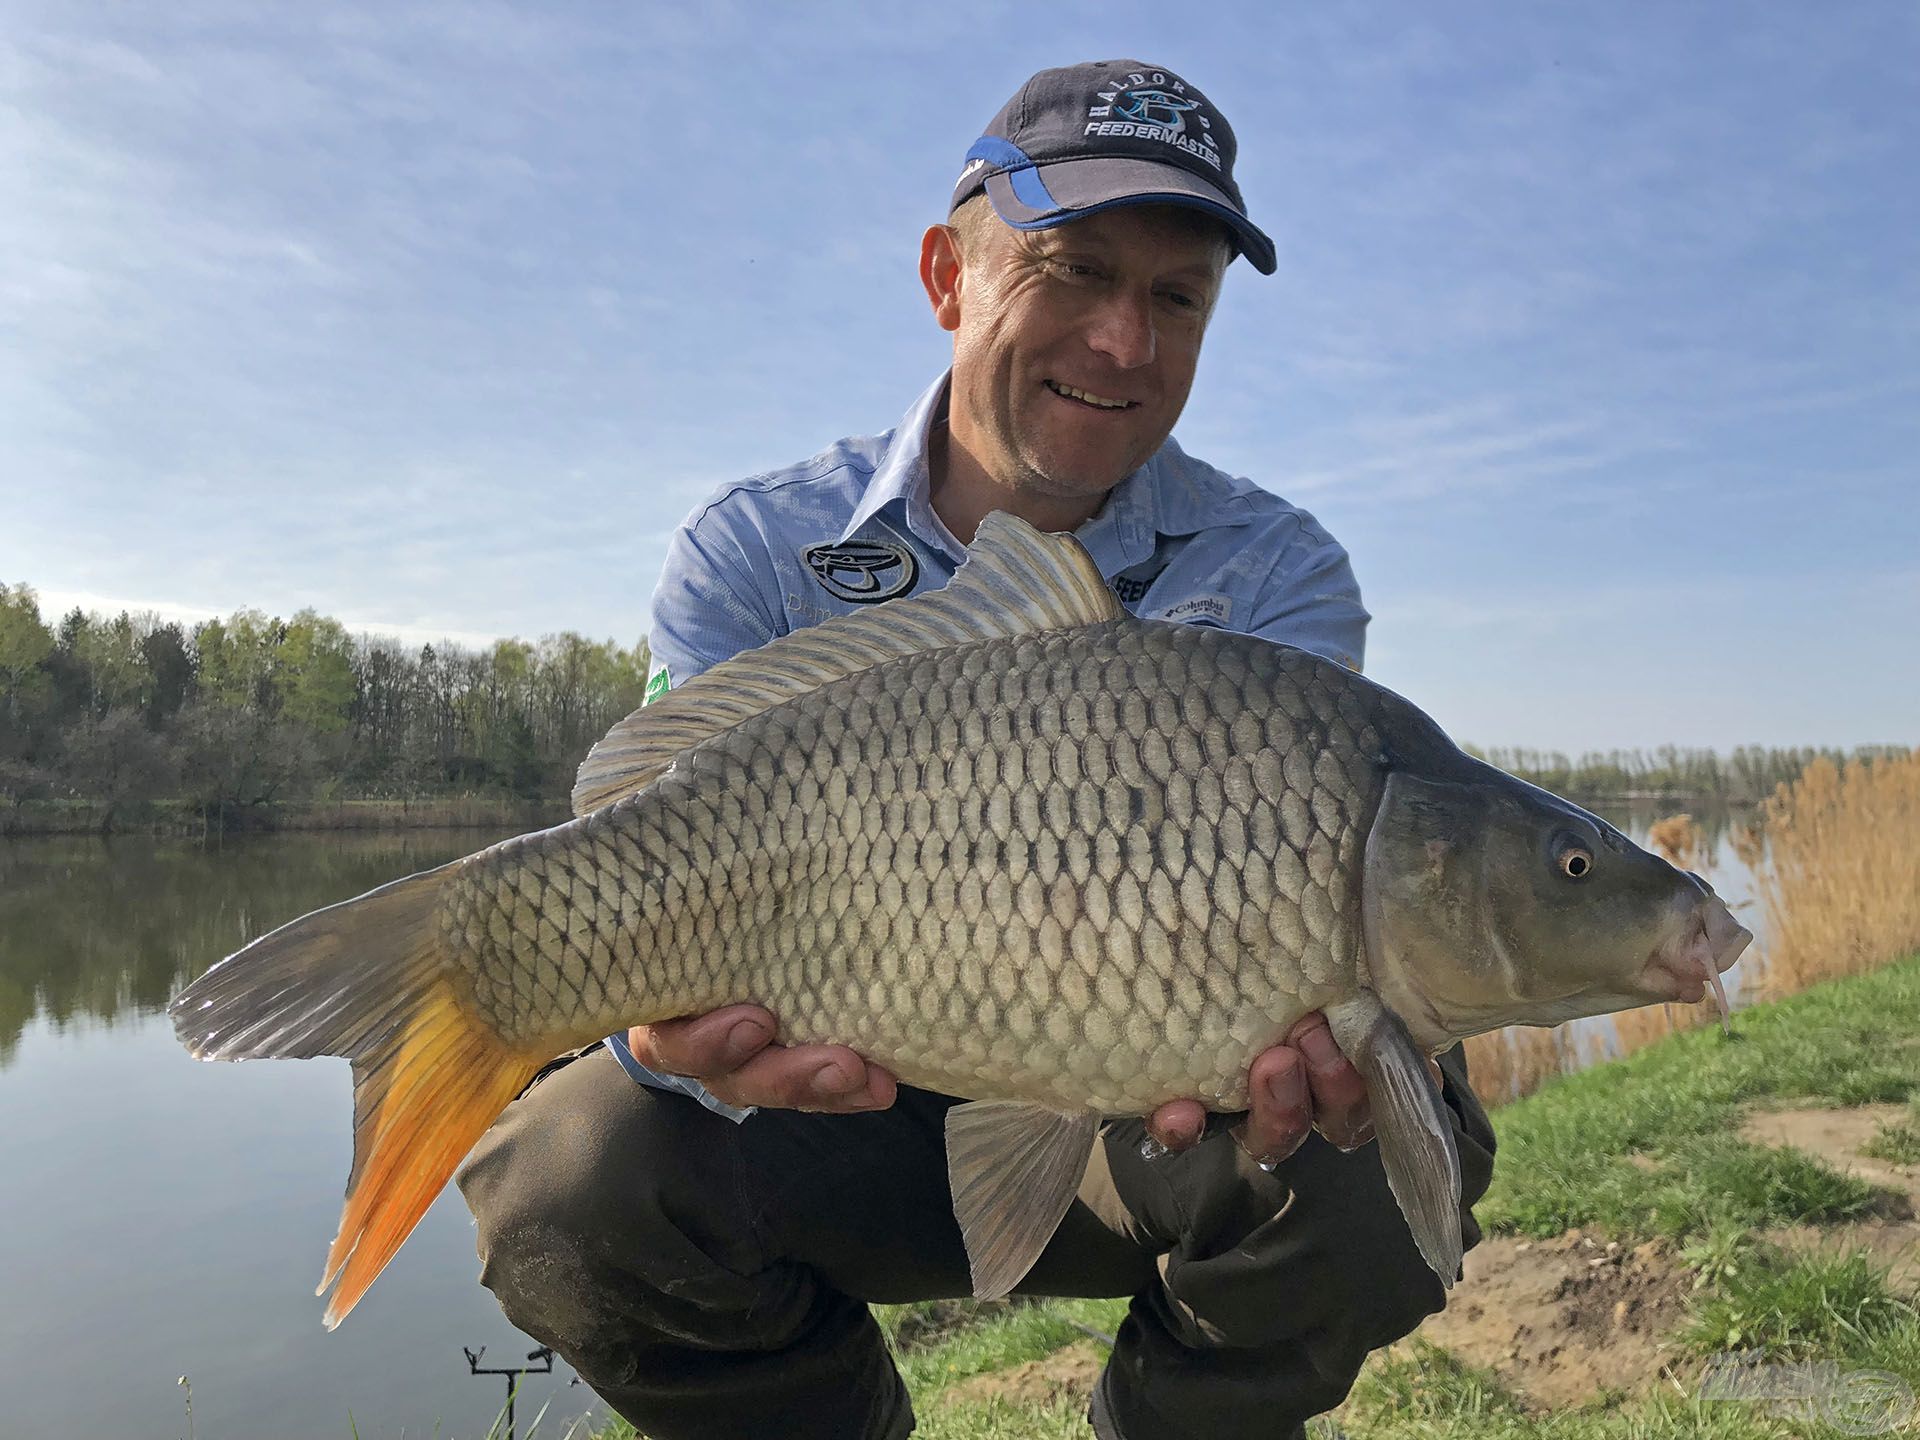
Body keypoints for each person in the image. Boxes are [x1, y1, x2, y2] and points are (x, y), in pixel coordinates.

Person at [457, 59, 1496, 1440]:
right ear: (950, 277)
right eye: (1073, 271)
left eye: (1177, 297)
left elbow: (1313, 936)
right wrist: (671, 1036)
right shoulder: (760, 550)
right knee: (564, 1177)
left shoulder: (1277, 571)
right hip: (832, 1108)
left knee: (1387, 1145)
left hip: (1150, 1113)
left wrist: (1333, 1048)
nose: (1125, 339)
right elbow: (645, 847)